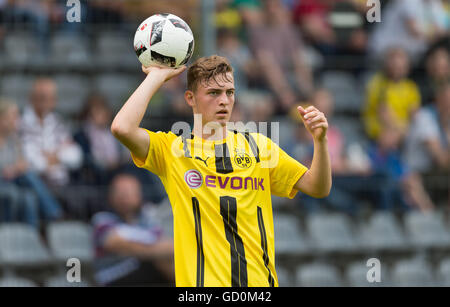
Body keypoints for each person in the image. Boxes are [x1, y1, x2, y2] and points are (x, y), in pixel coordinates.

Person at [111, 55, 331, 287]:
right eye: (214, 93)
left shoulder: (259, 147)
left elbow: (318, 187)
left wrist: (320, 142)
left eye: (230, 92)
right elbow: (122, 128)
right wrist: (156, 77)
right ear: (190, 98)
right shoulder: (173, 151)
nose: (224, 100)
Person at [92, 173, 174, 286]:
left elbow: (168, 244)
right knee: (160, 261)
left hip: (143, 272)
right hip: (111, 277)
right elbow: (115, 244)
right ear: (111, 196)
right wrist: (154, 251)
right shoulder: (103, 219)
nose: (124, 198)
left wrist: (146, 249)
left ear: (139, 195)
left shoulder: (147, 220)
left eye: (129, 193)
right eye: (120, 193)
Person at [21, 77, 83, 187]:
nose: (50, 101)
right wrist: (54, 156)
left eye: (52, 97)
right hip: (33, 185)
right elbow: (28, 161)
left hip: (61, 184)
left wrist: (56, 156)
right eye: (43, 97)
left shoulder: (57, 122)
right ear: (32, 98)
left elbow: (75, 156)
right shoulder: (20, 123)